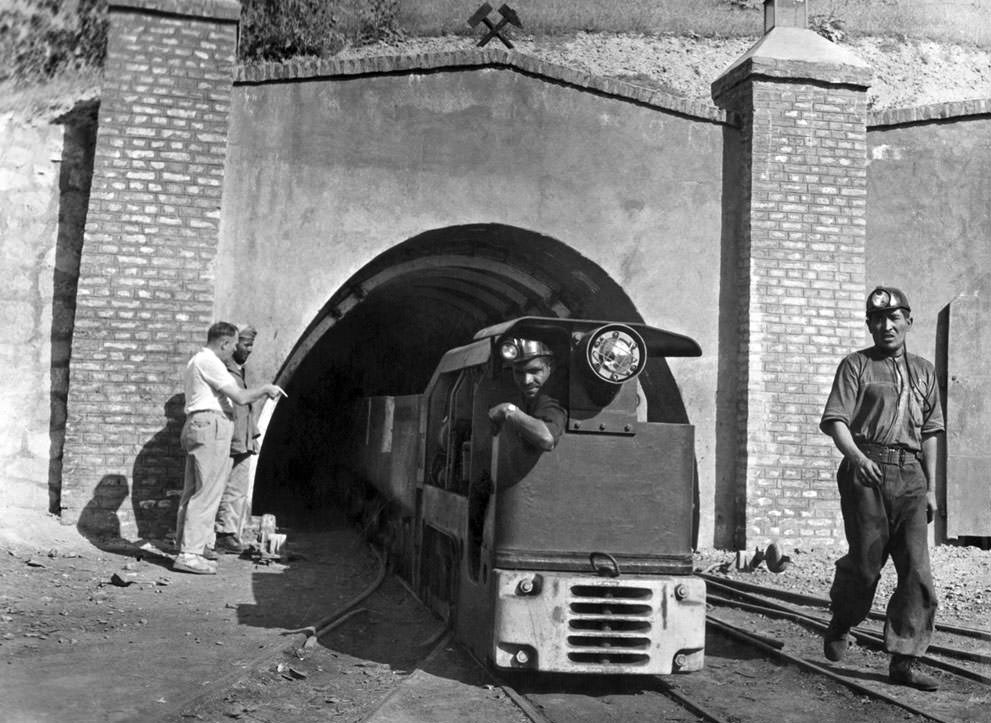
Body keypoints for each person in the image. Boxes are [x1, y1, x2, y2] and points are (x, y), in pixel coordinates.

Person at [819, 286, 944, 691]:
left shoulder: (924, 371)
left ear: (909, 321)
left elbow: (930, 432)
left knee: (916, 570)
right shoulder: (855, 365)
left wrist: (930, 488)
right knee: (866, 565)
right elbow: (837, 421)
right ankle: (842, 620)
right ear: (869, 325)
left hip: (911, 476)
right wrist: (857, 458)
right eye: (877, 319)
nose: (886, 326)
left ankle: (904, 661)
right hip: (866, 472)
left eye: (894, 318)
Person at [175, 322, 285, 575]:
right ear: (224, 343)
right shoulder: (211, 362)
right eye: (234, 344)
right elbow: (240, 397)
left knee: (193, 492)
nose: (235, 349)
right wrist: (266, 389)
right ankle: (189, 554)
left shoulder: (196, 361)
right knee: (207, 493)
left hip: (198, 424)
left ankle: (187, 547)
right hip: (211, 426)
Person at [212, 325, 261, 555]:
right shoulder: (221, 368)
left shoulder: (240, 370)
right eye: (246, 344)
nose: (249, 350)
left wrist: (252, 435)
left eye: (251, 345)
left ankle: (228, 533)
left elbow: (245, 409)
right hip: (228, 436)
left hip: (242, 437)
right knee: (220, 486)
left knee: (237, 488)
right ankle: (219, 534)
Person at [488, 338, 567, 451]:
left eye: (534, 371)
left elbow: (546, 439)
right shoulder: (519, 392)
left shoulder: (552, 397)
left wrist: (508, 411)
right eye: (519, 372)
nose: (526, 380)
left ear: (551, 367)